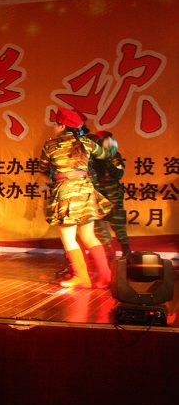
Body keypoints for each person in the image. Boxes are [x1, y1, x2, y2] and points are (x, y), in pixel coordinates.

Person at [38, 107, 117, 289]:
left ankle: (82, 277)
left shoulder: (51, 145)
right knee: (88, 235)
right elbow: (105, 155)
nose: (54, 126)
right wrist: (112, 146)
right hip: (85, 190)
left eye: (56, 123)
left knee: (68, 238)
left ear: (62, 126)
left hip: (66, 192)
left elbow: (43, 167)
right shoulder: (86, 142)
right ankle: (106, 276)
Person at [91, 130, 130, 258]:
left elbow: (118, 174)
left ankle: (126, 251)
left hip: (113, 192)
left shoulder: (114, 156)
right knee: (97, 223)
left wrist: (107, 161)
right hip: (97, 191)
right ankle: (106, 252)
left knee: (117, 222)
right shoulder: (92, 155)